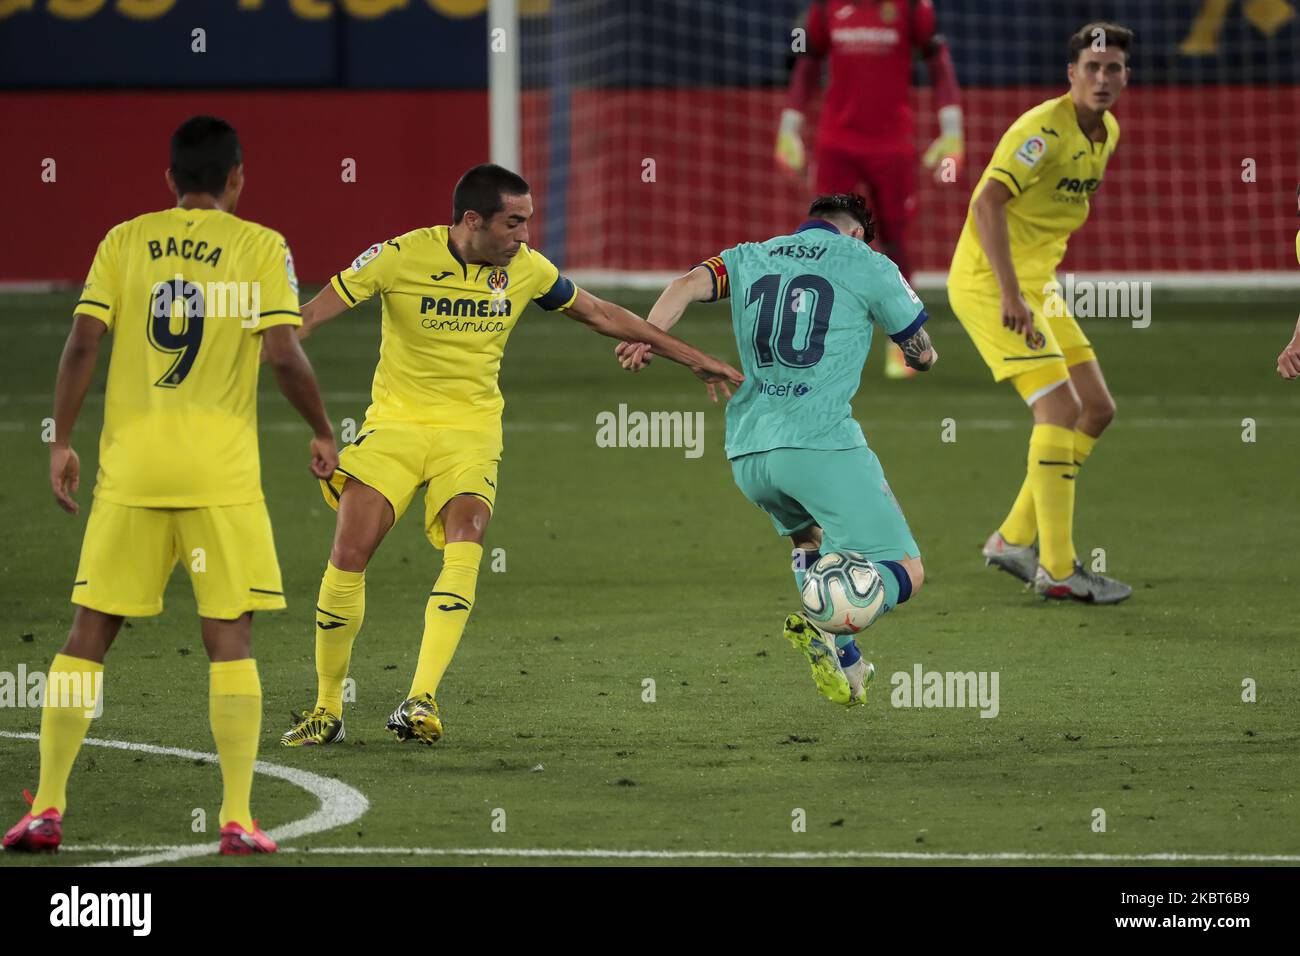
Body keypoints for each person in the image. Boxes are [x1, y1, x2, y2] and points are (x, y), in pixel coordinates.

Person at [280, 164, 744, 748]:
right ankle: (327, 709)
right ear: (473, 221)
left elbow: (603, 315)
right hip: (395, 429)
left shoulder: (525, 270)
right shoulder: (399, 257)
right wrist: (261, 348)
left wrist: (690, 355)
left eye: (528, 222)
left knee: (466, 537)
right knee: (349, 553)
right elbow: (310, 317)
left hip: (471, 433)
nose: (525, 236)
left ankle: (419, 698)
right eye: (514, 222)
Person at [4, 116, 337, 855]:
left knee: (89, 632)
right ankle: (238, 817)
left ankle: (47, 806)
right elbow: (284, 354)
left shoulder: (125, 240)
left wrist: (60, 440)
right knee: (230, 636)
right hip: (219, 477)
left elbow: (83, 341)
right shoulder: (260, 247)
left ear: (169, 181)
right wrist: (321, 428)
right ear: (238, 178)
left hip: (132, 471)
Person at [616, 194, 935, 706]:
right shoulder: (868, 262)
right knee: (907, 570)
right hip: (819, 444)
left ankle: (849, 664)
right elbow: (919, 353)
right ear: (856, 233)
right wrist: (919, 350)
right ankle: (825, 619)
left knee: (811, 542)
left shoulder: (748, 255)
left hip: (748, 452)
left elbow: (683, 286)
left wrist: (648, 337)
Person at [947, 22, 1135, 603]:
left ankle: (1013, 538)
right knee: (1059, 406)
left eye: (1114, 69)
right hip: (990, 284)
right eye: (1092, 68)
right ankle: (1057, 568)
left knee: (1096, 409)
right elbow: (986, 202)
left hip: (1038, 285)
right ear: (1071, 74)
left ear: (1125, 77)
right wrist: (1009, 294)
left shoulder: (1107, 133)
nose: (1102, 78)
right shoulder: (1039, 132)